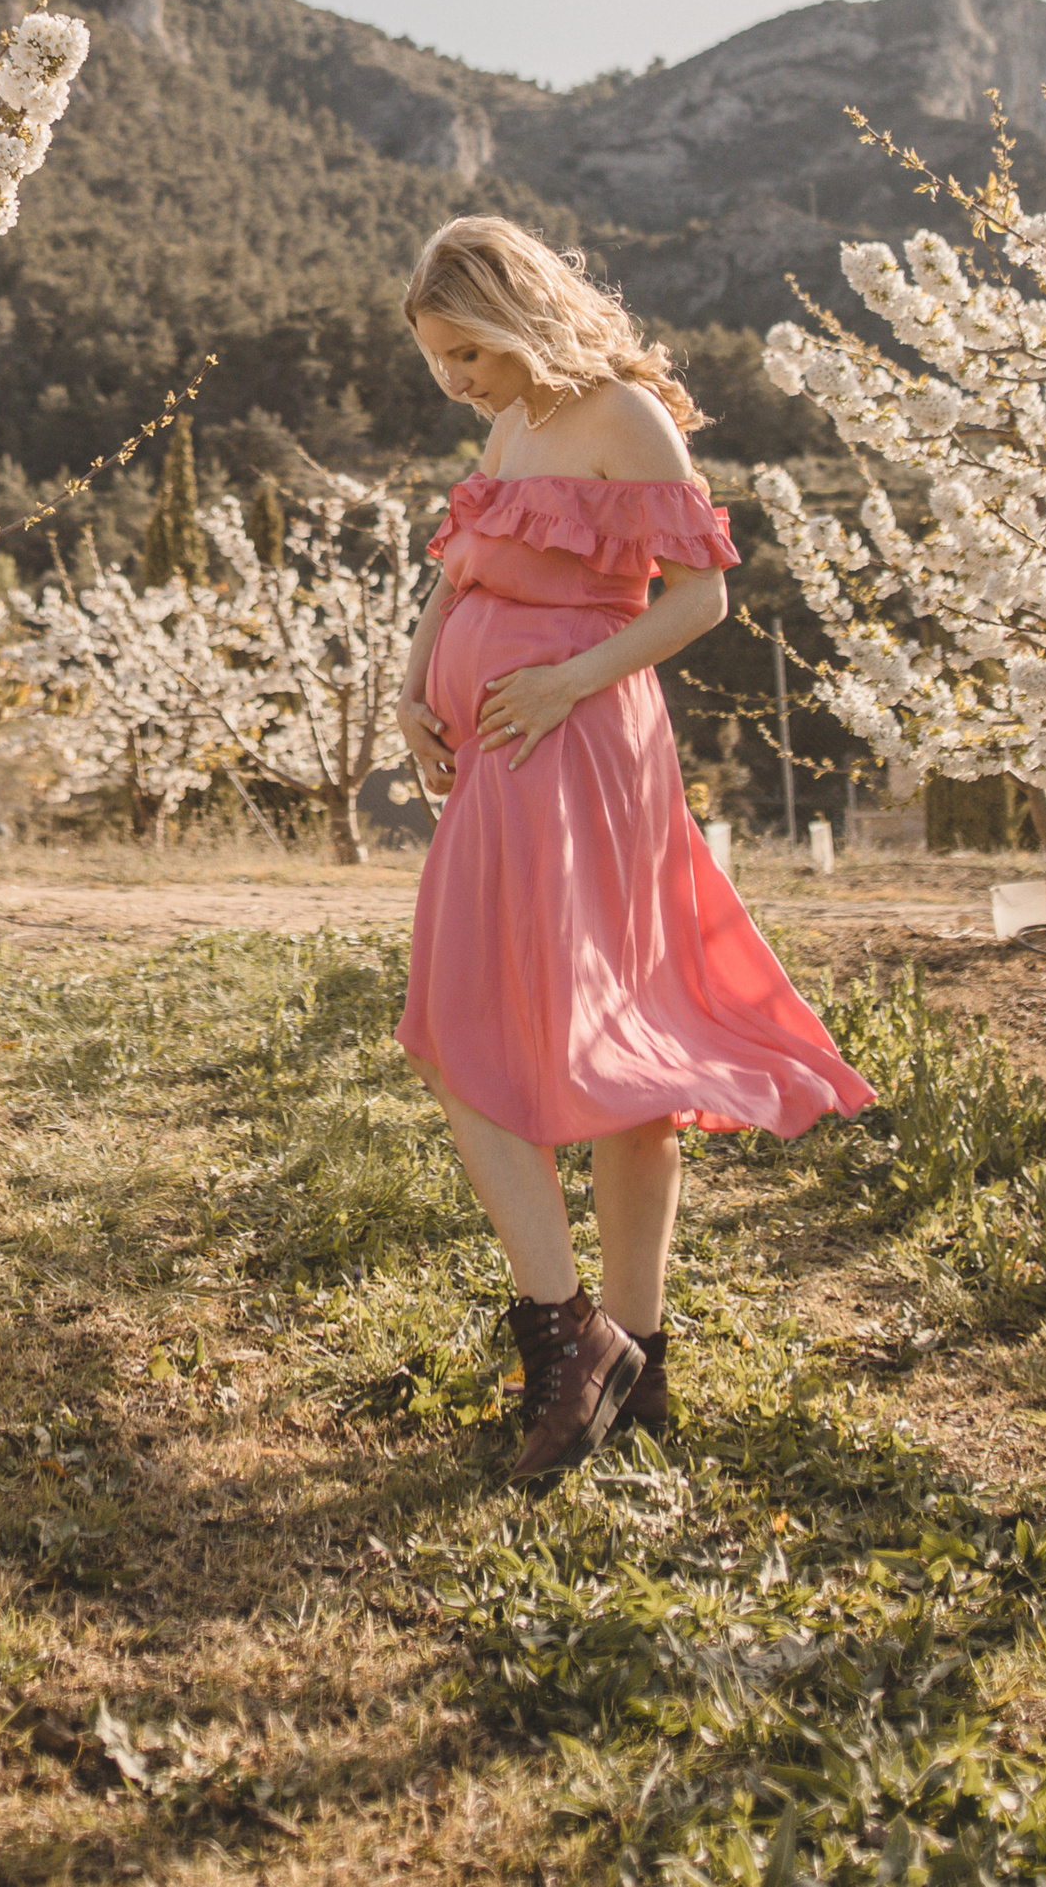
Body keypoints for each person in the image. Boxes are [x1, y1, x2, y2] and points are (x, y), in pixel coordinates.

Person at [394, 214, 875, 1486]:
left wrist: (561, 684)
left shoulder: (619, 415)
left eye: (466, 354)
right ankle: (619, 1358)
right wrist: (409, 684)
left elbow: (700, 594)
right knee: (476, 1019)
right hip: (494, 756)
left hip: (577, 747)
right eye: (438, 361)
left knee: (579, 1035)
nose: (455, 381)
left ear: (514, 316)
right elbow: (461, 574)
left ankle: (587, 1343)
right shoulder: (507, 425)